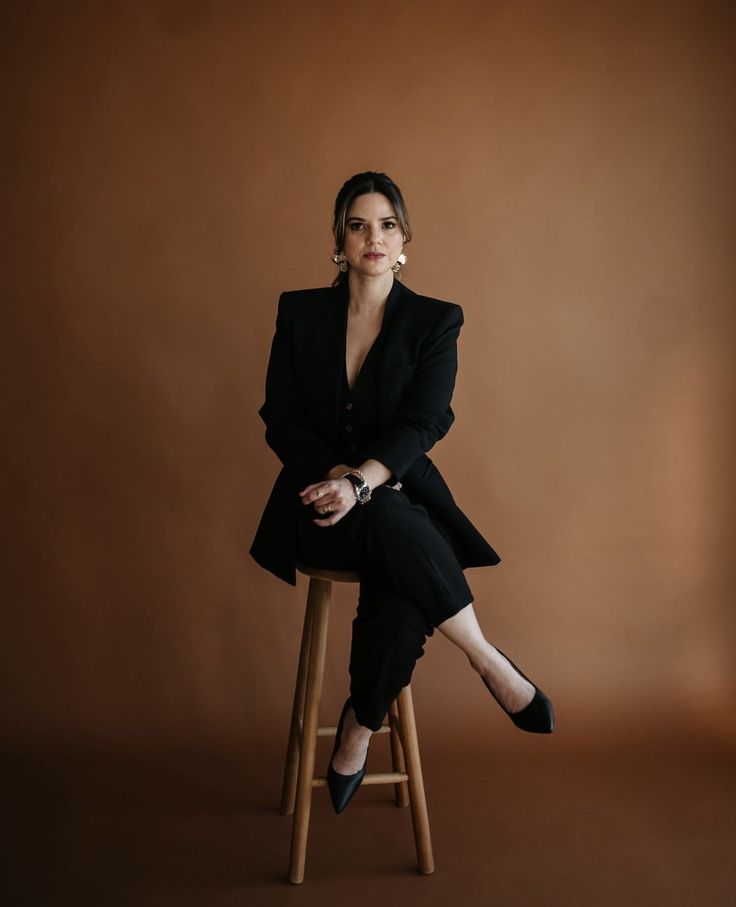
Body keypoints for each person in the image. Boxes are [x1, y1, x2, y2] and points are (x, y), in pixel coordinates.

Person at [250, 171, 554, 814]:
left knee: (398, 571)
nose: (373, 238)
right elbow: (281, 416)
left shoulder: (435, 321)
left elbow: (426, 421)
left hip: (395, 501)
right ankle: (488, 660)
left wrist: (361, 482)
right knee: (396, 536)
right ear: (339, 238)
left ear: (404, 237)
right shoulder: (299, 313)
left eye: (386, 224)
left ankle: (359, 728)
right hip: (314, 506)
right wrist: (333, 482)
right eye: (358, 224)